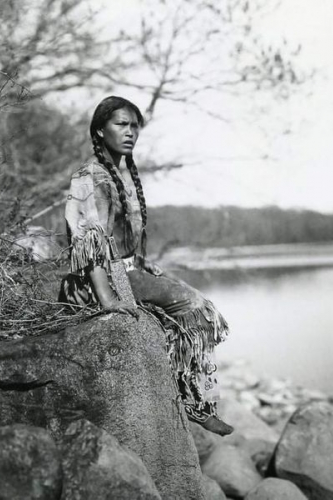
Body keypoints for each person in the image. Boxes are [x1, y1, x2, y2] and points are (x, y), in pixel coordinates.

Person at [59, 96, 233, 436]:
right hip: (102, 276)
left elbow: (124, 239)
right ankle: (195, 404)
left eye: (134, 126)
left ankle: (193, 396)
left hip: (126, 269)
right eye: (121, 125)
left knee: (194, 305)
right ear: (99, 130)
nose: (130, 133)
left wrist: (143, 266)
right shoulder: (88, 178)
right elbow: (90, 245)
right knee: (196, 307)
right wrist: (108, 300)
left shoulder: (121, 176)